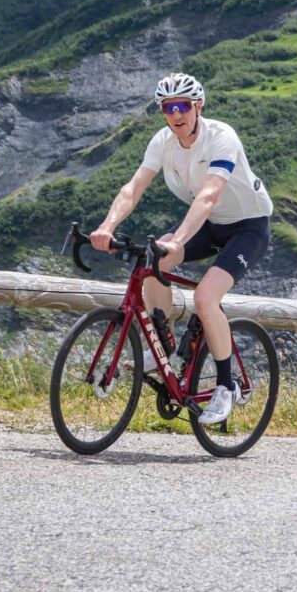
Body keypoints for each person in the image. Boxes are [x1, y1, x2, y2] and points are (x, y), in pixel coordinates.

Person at [90, 73, 273, 425]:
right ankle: (166, 352)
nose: (176, 114)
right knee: (149, 264)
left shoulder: (221, 137)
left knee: (206, 297)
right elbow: (133, 188)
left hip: (248, 226)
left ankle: (225, 386)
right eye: (168, 107)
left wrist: (176, 239)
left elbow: (209, 195)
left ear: (198, 106)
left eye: (183, 106)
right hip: (208, 224)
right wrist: (106, 226)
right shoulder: (163, 142)